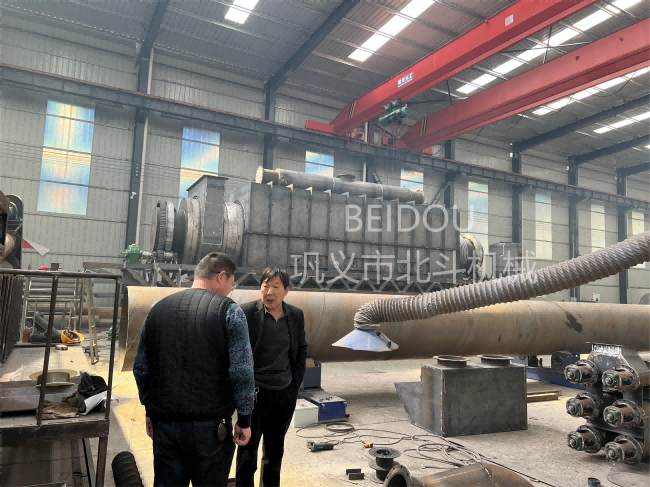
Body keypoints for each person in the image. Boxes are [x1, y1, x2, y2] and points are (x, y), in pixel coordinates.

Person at [133, 252, 255, 487]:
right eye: (231, 284)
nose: (230, 291)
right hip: (211, 431)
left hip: (165, 427)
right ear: (221, 276)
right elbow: (242, 371)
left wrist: (150, 410)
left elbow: (141, 369)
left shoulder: (158, 310)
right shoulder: (230, 311)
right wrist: (245, 419)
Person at [236, 267, 308, 487]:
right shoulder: (246, 313)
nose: (269, 292)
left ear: (286, 290)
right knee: (247, 455)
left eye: (276, 287)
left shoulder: (295, 315)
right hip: (254, 396)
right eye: (265, 286)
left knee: (274, 453)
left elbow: (301, 350)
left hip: (283, 395)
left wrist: (294, 385)